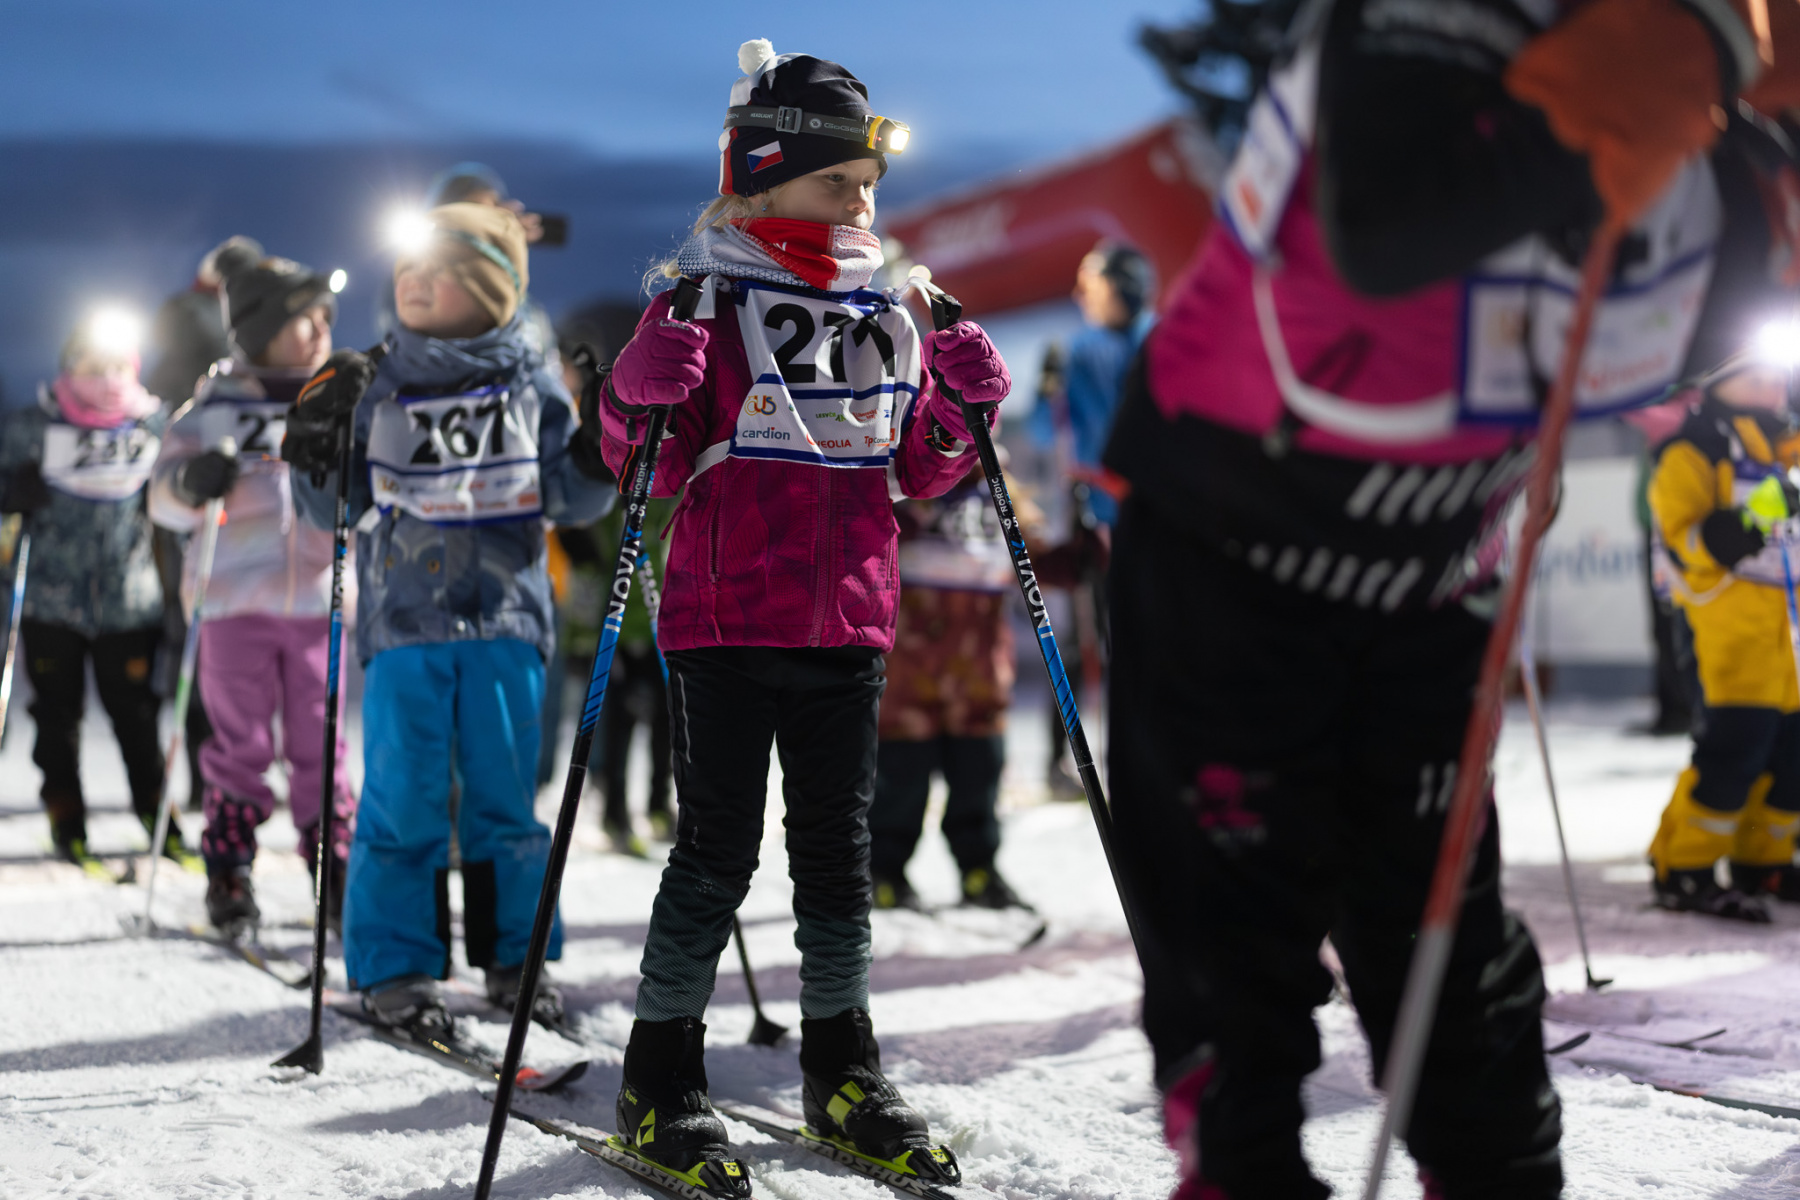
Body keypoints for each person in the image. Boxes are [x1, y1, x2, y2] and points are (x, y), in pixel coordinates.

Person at [1100, 3, 1798, 1198]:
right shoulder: (1428, 32)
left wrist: (1714, 79)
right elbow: (1383, 227)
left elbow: (1708, 311)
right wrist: (1684, 57)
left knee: (1448, 963)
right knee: (1235, 961)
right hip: (1230, 562)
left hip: (1433, 586)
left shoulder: (1721, 135)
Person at [592, 39, 1010, 1188]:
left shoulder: (890, 309)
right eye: (836, 183)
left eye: (868, 185)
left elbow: (914, 470)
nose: (860, 204)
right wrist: (632, 392)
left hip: (849, 623)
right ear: (762, 180)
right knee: (716, 851)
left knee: (837, 858)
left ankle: (843, 1069)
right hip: (727, 620)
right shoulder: (708, 295)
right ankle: (661, 1074)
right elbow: (646, 465)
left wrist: (960, 412)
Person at [284, 201, 616, 1032]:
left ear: (492, 288)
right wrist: (315, 442)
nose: (414, 281)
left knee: (505, 802)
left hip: (507, 623)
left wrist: (599, 447)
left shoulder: (531, 382)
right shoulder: (372, 380)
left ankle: (517, 957)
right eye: (408, 267)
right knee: (403, 797)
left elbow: (572, 499)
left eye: (440, 270)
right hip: (405, 627)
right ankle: (397, 962)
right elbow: (330, 509)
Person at [149, 253, 357, 934]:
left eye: (327, 318)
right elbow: (162, 498)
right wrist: (189, 483)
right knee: (239, 741)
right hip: (232, 603)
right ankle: (230, 868)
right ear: (262, 329)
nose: (321, 331)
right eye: (305, 319)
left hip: (317, 601)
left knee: (320, 738)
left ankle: (334, 864)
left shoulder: (337, 401)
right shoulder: (216, 404)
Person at [0, 310, 196, 876]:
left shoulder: (153, 425)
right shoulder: (35, 426)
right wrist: (10, 492)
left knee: (136, 715)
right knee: (56, 716)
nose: (108, 380)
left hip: (127, 600)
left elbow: (177, 496)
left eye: (119, 367)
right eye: (93, 367)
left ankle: (157, 815)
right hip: (51, 601)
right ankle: (66, 817)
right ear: (70, 367)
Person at [868, 460, 1068, 912]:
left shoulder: (999, 487)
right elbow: (856, 534)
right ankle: (884, 870)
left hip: (977, 671)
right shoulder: (907, 475)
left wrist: (1071, 560)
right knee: (900, 777)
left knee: (978, 774)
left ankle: (979, 869)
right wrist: (888, 525)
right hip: (910, 668)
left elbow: (1033, 557)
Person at [1647, 360, 1800, 918]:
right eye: (1753, 374)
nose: (1771, 386)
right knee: (1733, 754)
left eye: (1776, 374)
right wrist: (1755, 516)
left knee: (1792, 759)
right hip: (1727, 636)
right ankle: (1683, 868)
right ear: (1715, 379)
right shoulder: (1693, 451)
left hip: (1789, 638)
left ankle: (1764, 861)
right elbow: (1686, 542)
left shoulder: (1788, 447)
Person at [146, 236, 264, 812]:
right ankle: (215, 772)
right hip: (220, 499)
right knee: (208, 634)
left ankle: (211, 773)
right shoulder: (215, 324)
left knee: (200, 633)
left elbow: (160, 403)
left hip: (202, 494)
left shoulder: (181, 318)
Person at [1034, 243, 1150, 795]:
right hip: (1136, 516)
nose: (1082, 295)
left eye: (1091, 283)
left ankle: (1073, 761)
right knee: (1115, 638)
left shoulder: (1084, 349)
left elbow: (1044, 430)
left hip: (1115, 515)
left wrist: (1046, 391)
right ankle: (1101, 760)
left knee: (1096, 638)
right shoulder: (1154, 338)